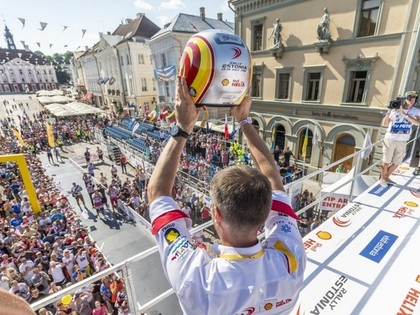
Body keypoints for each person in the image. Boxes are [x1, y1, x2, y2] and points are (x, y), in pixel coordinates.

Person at [147, 76, 306, 314]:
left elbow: (157, 193)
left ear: (216, 213)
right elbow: (274, 177)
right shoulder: (291, 260)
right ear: (266, 213)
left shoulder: (197, 278)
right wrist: (244, 120)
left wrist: (183, 126)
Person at [380, 91, 420, 187]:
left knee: (397, 162)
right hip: (390, 139)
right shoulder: (395, 109)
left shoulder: (416, 111)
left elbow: (417, 123)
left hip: (403, 140)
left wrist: (404, 114)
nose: (412, 100)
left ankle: (385, 177)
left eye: (414, 99)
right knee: (386, 161)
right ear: (404, 99)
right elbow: (384, 124)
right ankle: (383, 179)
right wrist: (389, 111)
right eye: (410, 98)